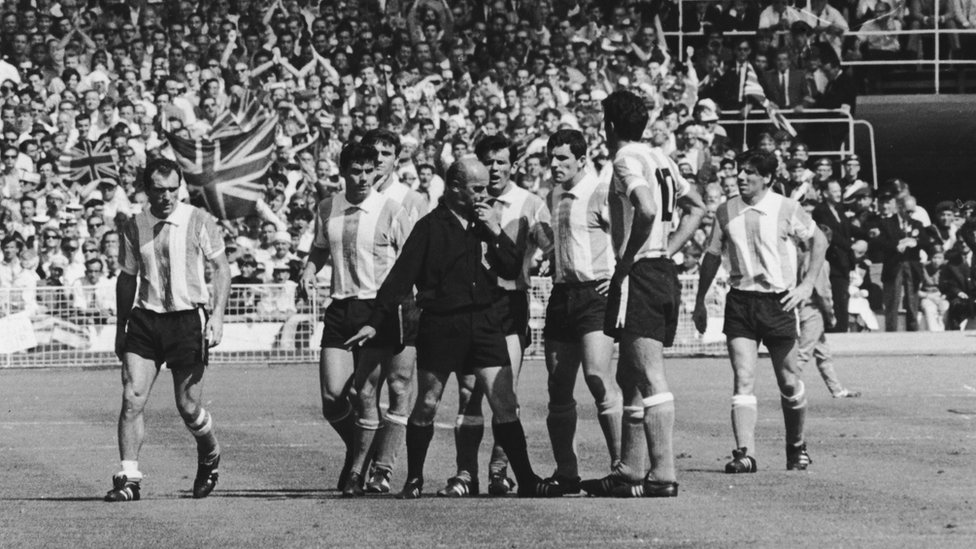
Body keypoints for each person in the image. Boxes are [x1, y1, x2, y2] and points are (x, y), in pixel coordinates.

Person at [345, 157, 555, 499]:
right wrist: (374, 322)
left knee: (504, 401)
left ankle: (527, 479)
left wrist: (495, 231)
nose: (485, 194)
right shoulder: (430, 227)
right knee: (428, 402)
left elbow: (511, 265)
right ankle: (414, 478)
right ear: (455, 188)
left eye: (486, 187)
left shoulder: (486, 224)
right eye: (478, 188)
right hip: (442, 324)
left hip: (486, 321)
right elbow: (401, 277)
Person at [580, 90, 706, 498]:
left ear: (610, 125)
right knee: (628, 372)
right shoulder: (661, 157)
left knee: (649, 373)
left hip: (641, 270)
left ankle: (663, 473)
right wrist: (669, 249)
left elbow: (647, 209)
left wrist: (627, 259)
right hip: (660, 267)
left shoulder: (625, 158)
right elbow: (697, 206)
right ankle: (630, 469)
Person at [693, 150, 828, 474]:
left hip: (779, 302)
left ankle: (796, 446)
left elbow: (818, 240)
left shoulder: (785, 207)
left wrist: (807, 284)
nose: (741, 177)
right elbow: (712, 256)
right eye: (740, 170)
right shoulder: (726, 210)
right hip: (740, 301)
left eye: (750, 172)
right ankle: (745, 453)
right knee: (744, 378)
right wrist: (700, 300)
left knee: (789, 382)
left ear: (767, 177)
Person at [104, 158, 231, 502]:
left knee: (188, 407)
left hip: (187, 319)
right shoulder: (133, 226)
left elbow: (221, 269)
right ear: (147, 190)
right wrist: (120, 327)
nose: (167, 197)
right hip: (146, 320)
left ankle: (210, 452)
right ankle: (129, 478)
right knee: (132, 397)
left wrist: (217, 317)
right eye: (159, 190)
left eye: (173, 189)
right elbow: (128, 277)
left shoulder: (199, 220)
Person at [298, 142, 411, 497]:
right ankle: (363, 447)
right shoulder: (328, 206)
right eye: (356, 171)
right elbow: (319, 246)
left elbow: (409, 263)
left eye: (369, 171)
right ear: (343, 171)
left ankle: (360, 469)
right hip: (341, 308)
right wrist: (309, 270)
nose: (363, 178)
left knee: (365, 394)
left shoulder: (391, 209)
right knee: (333, 397)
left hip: (379, 309)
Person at [445, 134, 552, 497]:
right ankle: (465, 474)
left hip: (509, 304)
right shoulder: (462, 201)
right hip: (469, 306)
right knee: (468, 390)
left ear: (513, 165)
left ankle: (499, 471)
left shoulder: (530, 203)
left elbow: (551, 243)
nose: (494, 169)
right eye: (488, 162)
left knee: (504, 391)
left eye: (501, 162)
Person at [537, 129, 622, 496]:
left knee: (597, 376)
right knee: (557, 385)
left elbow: (625, 233)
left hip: (594, 292)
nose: (554, 166)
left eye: (563, 160)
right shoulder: (553, 194)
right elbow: (552, 237)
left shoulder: (601, 191)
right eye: (552, 159)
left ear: (582, 160)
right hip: (562, 293)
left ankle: (623, 466)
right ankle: (566, 472)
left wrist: (620, 273)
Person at [358, 129, 428, 494]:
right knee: (357, 392)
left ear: (397, 157)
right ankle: (359, 461)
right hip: (360, 301)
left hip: (402, 304)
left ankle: (382, 469)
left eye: (387, 152)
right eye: (374, 152)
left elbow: (422, 252)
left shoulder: (412, 199)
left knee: (399, 385)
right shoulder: (354, 198)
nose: (380, 158)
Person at [797, 225, 861, 398]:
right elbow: (823, 293)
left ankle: (837, 389)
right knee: (803, 354)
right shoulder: (820, 263)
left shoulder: (802, 257)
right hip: (813, 310)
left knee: (823, 353)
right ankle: (787, 386)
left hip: (804, 309)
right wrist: (830, 316)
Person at [878, 193, 929, 332]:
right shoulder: (886, 223)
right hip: (894, 265)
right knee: (892, 301)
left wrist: (915, 242)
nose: (910, 214)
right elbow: (880, 243)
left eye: (912, 211)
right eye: (907, 211)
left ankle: (913, 331)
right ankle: (891, 332)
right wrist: (897, 244)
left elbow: (926, 242)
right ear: (899, 207)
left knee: (912, 301)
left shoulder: (916, 224)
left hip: (911, 265)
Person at [812, 179, 855, 332]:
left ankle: (842, 329)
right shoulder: (821, 210)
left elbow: (848, 229)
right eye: (834, 191)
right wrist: (851, 246)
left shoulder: (839, 210)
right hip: (831, 260)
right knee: (835, 297)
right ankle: (835, 329)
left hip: (844, 261)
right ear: (825, 193)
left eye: (839, 191)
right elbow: (831, 233)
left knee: (843, 296)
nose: (838, 194)